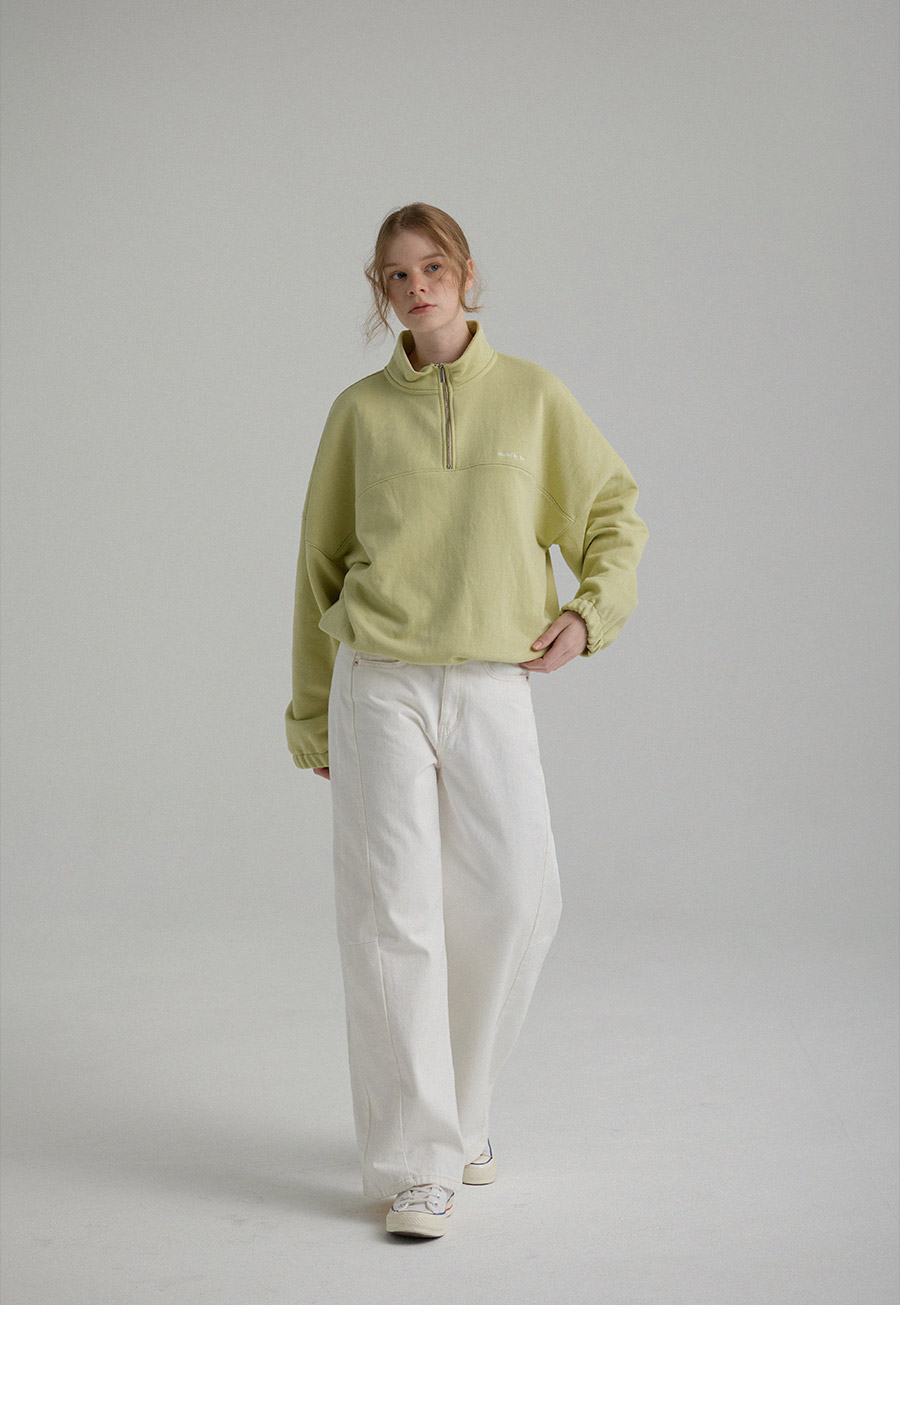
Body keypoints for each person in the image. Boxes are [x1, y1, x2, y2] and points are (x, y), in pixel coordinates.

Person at [285, 203, 649, 1239]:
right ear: (382, 291)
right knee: (393, 917)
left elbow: (612, 510)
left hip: (493, 679)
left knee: (522, 896)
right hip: (379, 683)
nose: (416, 287)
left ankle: (462, 1109)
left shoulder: (533, 397)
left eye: (432, 266)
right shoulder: (359, 414)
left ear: (467, 273)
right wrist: (313, 714)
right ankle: (418, 1162)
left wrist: (590, 613)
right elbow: (317, 564)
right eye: (396, 275)